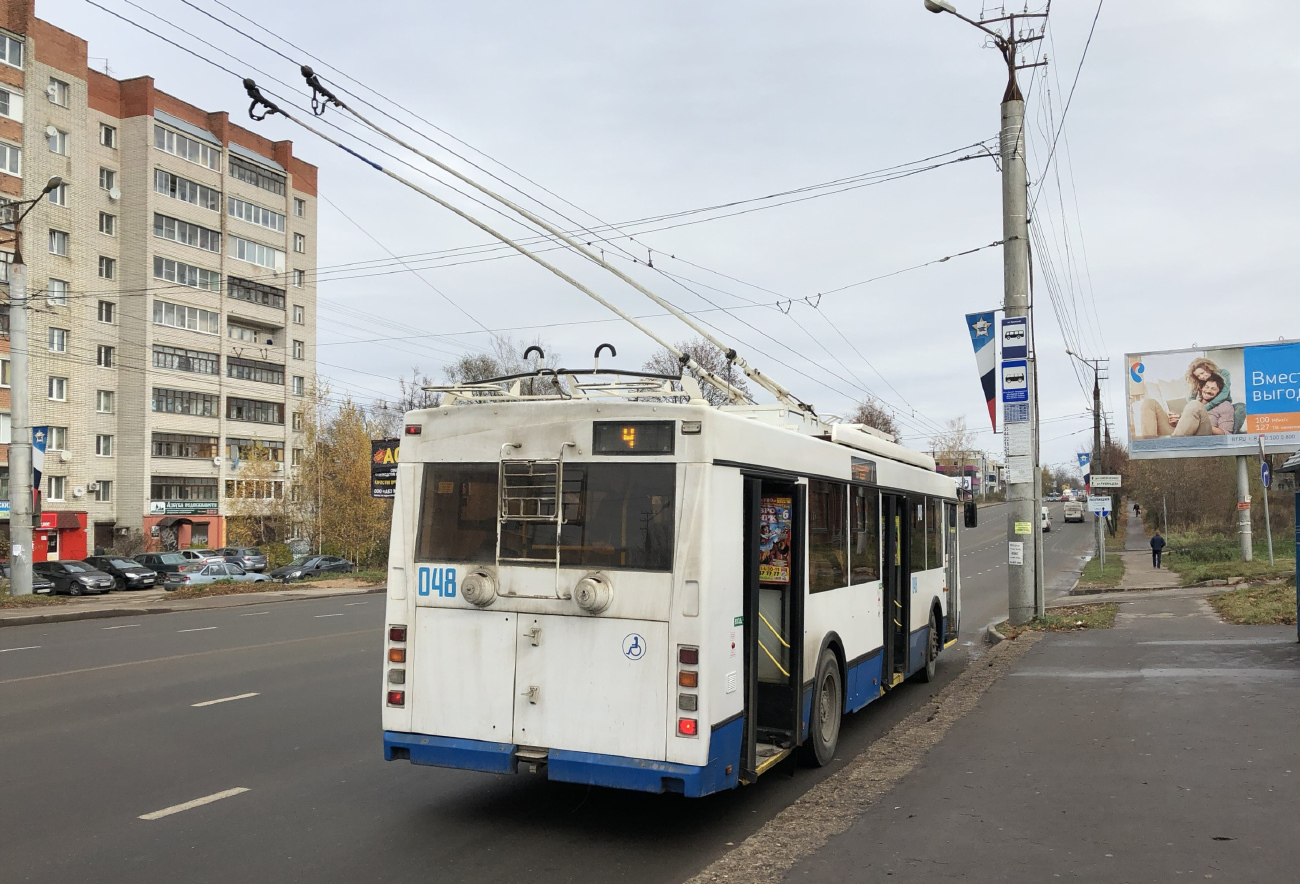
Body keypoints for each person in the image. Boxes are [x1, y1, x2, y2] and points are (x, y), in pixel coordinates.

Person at [1139, 372, 1235, 438]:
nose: (1208, 391)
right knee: (1149, 403)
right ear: (1202, 388)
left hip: (1201, 436)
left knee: (1195, 405)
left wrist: (1197, 422)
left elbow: (1226, 434)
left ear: (1219, 392)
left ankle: (1174, 444)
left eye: (1213, 389)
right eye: (1207, 387)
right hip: (1180, 434)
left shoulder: (1225, 405)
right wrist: (1177, 420)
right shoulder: (1195, 400)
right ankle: (1148, 447)